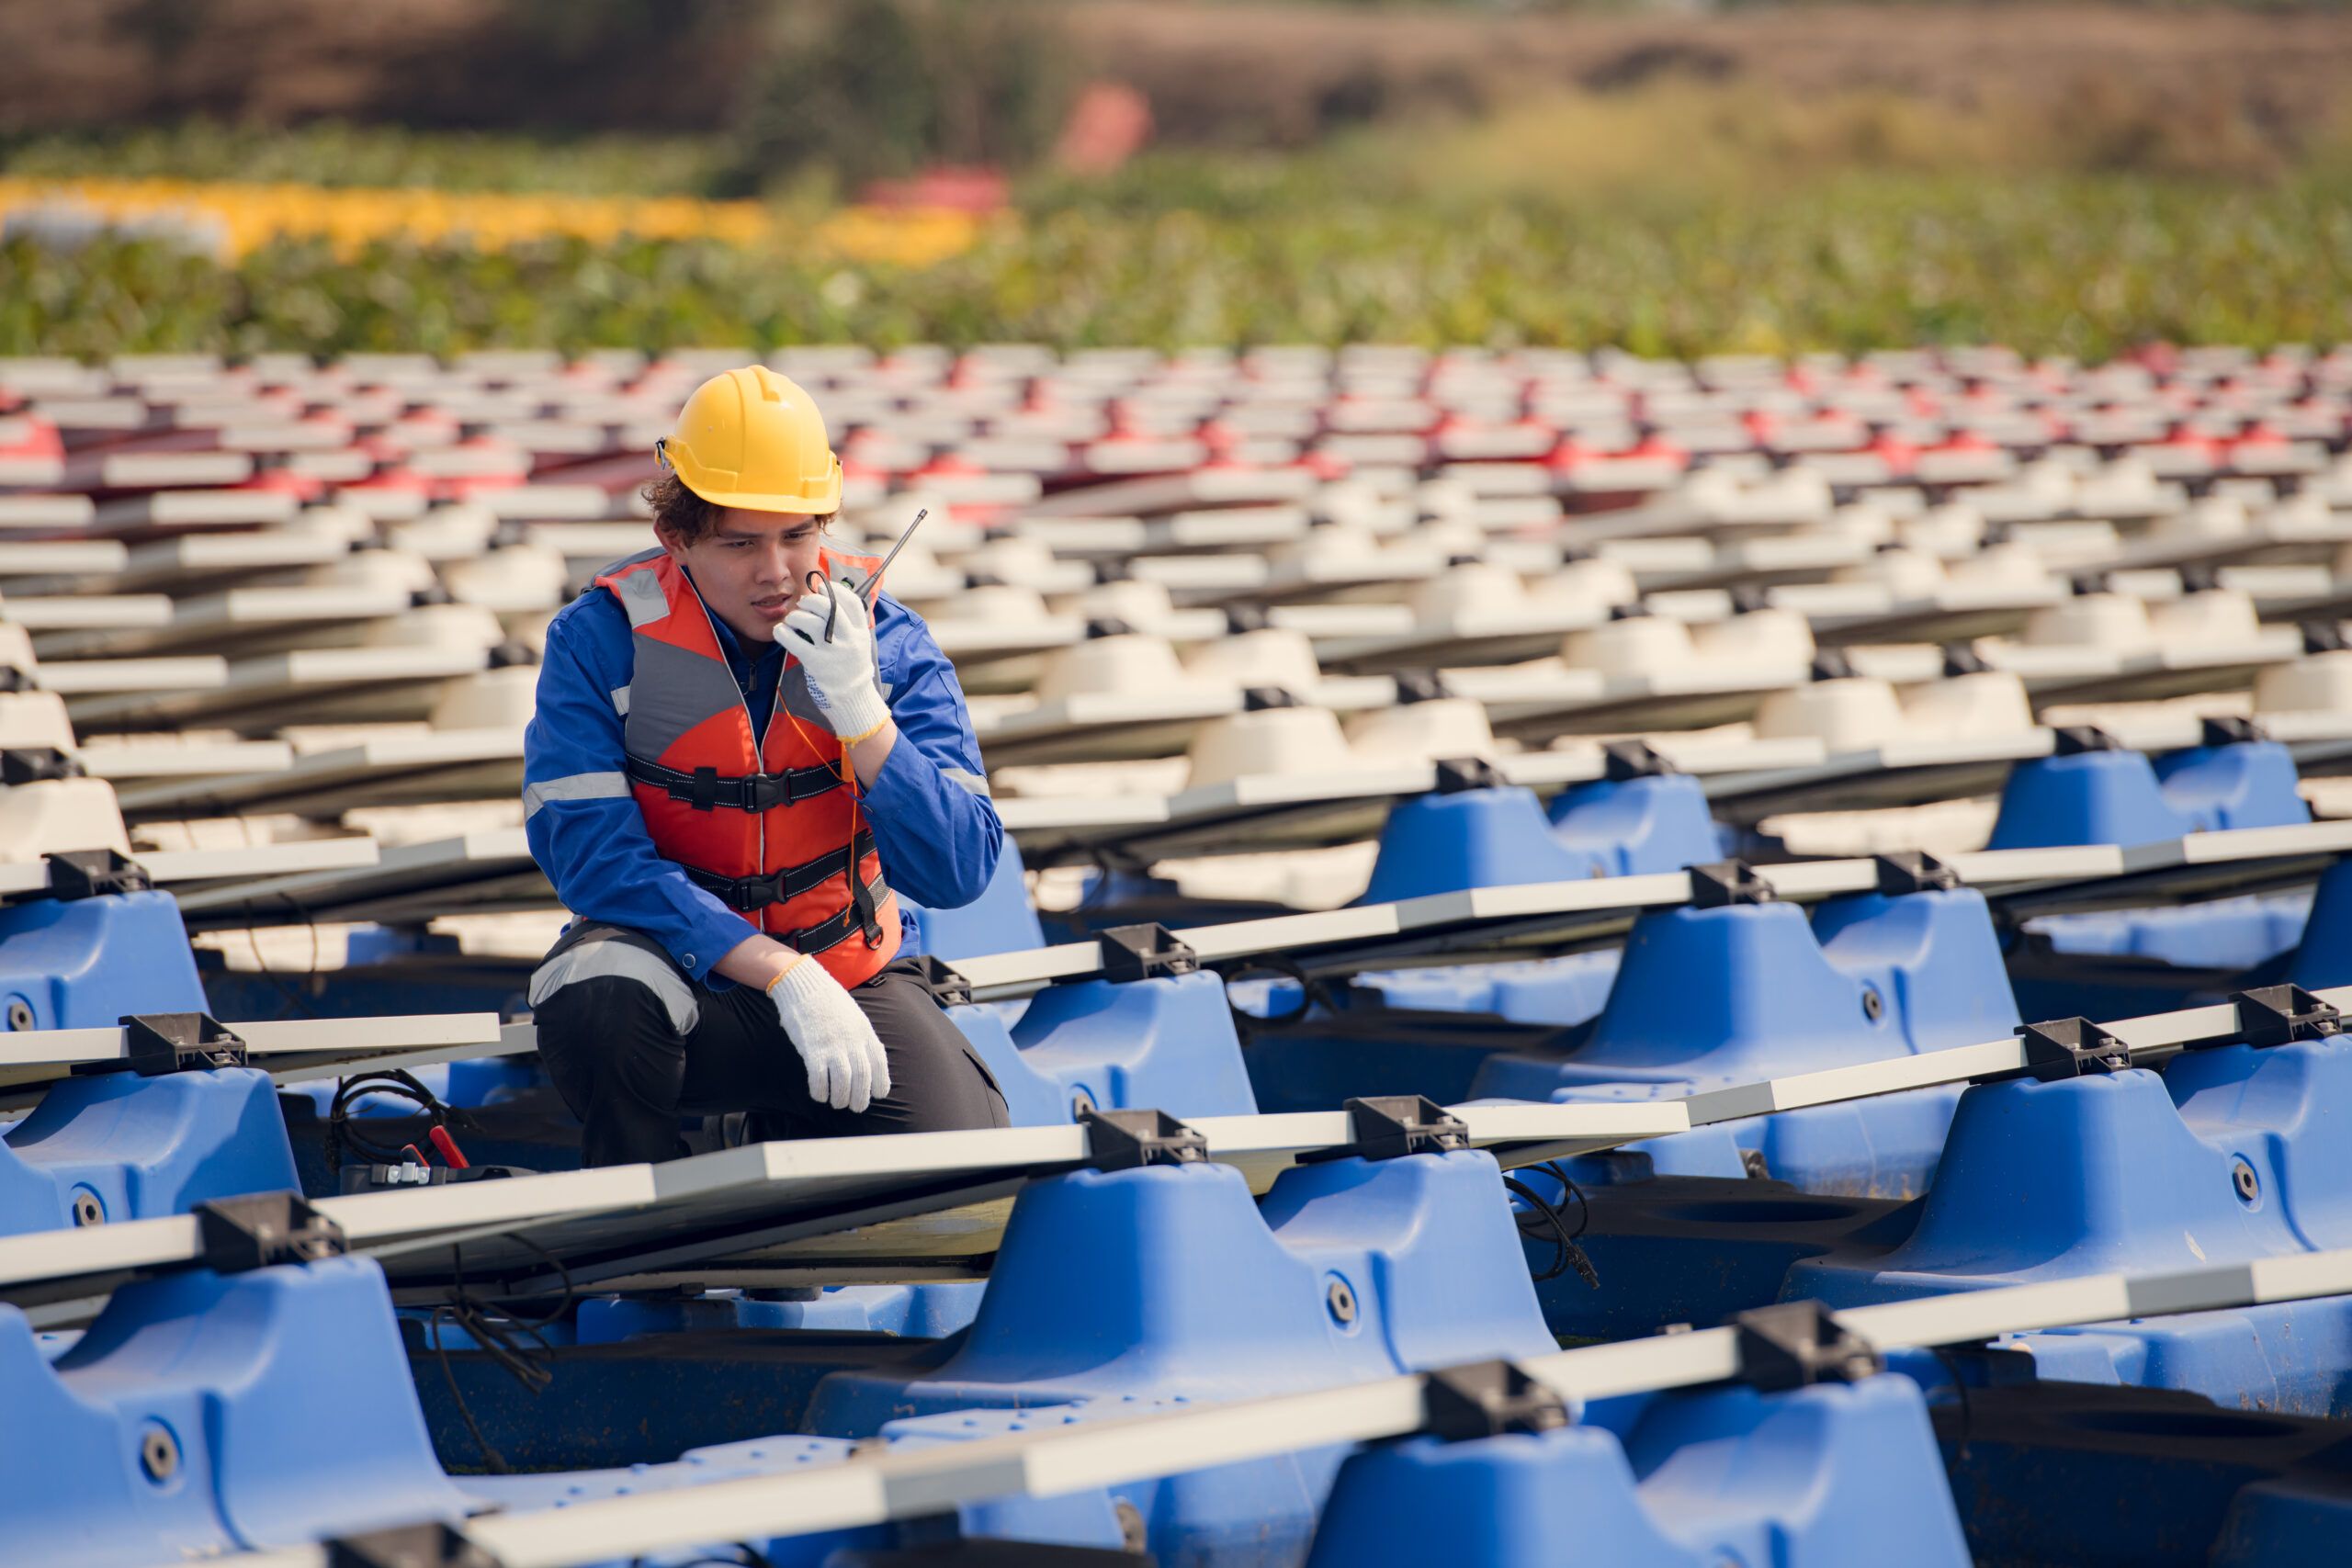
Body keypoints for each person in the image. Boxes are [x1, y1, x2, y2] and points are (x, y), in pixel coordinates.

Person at [520, 364, 1010, 1167]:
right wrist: (780, 973)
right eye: (740, 542)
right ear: (676, 537)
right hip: (682, 977)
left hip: (851, 973)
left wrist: (866, 720)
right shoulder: (596, 638)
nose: (776, 571)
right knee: (595, 1002)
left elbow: (960, 869)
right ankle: (649, 1244)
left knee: (965, 1154)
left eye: (797, 536)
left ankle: (779, 1132)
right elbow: (590, 858)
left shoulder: (892, 641)